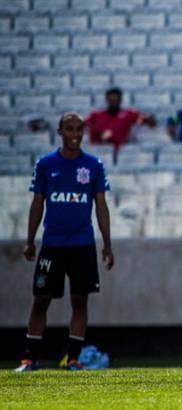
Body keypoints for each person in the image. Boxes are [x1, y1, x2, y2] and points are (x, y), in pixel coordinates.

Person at [15, 113, 113, 373]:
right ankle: (29, 360)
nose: (75, 134)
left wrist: (107, 244)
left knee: (80, 301)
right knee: (41, 299)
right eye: (70, 129)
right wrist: (29, 240)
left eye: (79, 129)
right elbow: (37, 203)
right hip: (53, 244)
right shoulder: (46, 164)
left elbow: (101, 206)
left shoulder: (93, 165)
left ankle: (73, 360)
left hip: (82, 244)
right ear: (60, 131)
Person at [86, 87, 156, 149]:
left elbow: (149, 122)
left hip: (122, 150)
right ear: (106, 100)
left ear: (120, 100)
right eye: (111, 99)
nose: (113, 102)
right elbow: (83, 125)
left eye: (115, 99)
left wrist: (150, 119)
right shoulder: (96, 115)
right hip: (102, 150)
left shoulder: (129, 114)